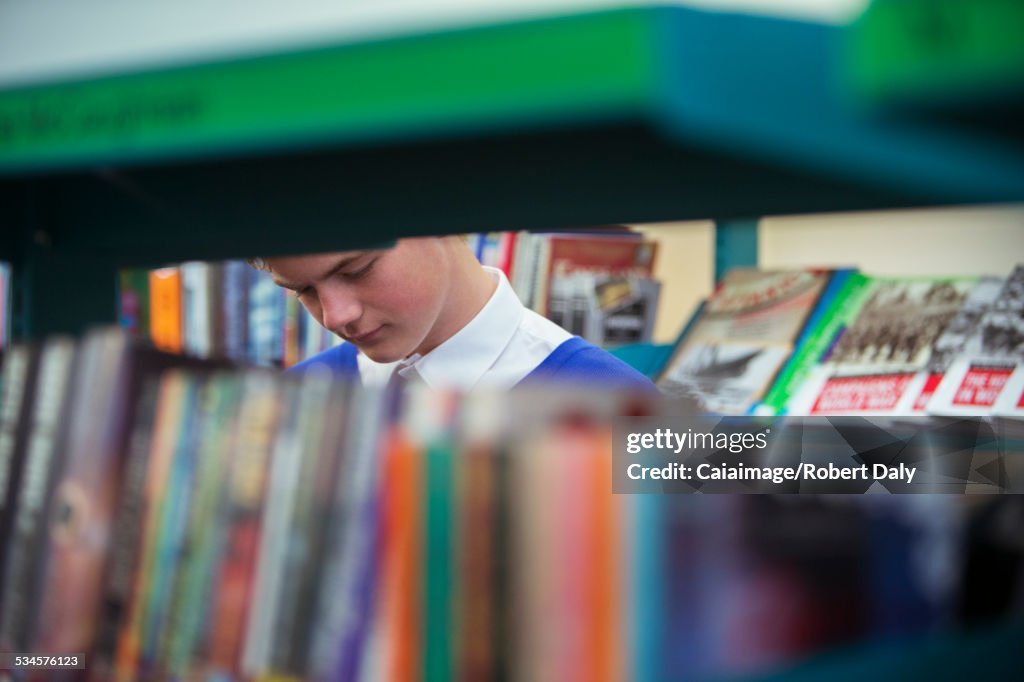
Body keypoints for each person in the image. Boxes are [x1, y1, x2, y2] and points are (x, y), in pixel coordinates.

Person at [257, 235, 656, 392]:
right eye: (303, 291)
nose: (334, 318)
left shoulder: (636, 413)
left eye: (356, 270)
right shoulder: (291, 401)